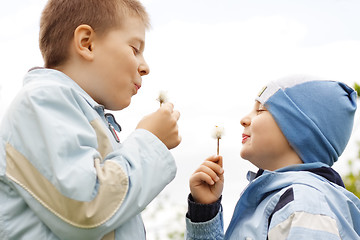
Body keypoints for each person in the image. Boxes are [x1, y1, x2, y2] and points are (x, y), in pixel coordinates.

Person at [0, 0, 181, 239]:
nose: (145, 66)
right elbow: (86, 209)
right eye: (135, 49)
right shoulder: (41, 100)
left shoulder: (75, 112)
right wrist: (149, 142)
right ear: (87, 43)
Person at [186, 76, 360, 239]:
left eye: (260, 110)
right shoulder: (284, 199)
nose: (244, 119)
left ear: (299, 132)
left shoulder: (305, 203)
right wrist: (205, 213)